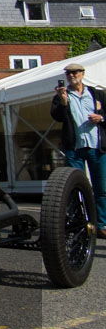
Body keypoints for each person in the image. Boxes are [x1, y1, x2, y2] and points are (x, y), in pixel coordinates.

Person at [50, 62, 106, 238]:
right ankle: (78, 223)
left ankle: (102, 224)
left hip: (97, 146)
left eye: (75, 72)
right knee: (74, 187)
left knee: (102, 188)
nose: (72, 76)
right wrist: (63, 101)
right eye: (69, 74)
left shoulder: (96, 94)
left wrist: (101, 118)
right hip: (75, 147)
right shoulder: (61, 96)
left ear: (82, 73)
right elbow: (57, 117)